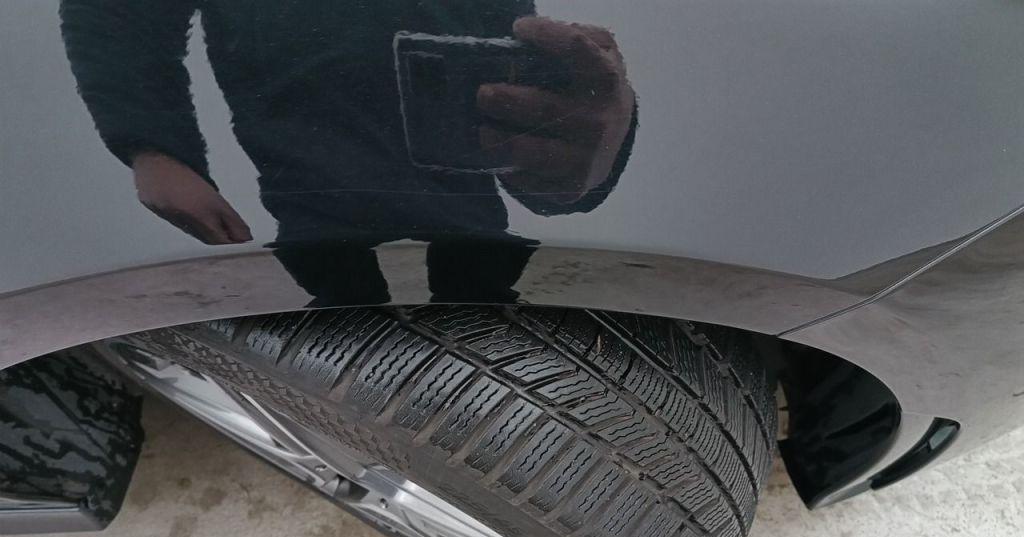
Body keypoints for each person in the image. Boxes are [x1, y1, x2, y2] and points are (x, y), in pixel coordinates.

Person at [60, 0, 636, 303]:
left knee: (476, 283)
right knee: (334, 300)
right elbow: (116, 11)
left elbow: (514, 36)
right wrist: (155, 148)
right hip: (309, 188)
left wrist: (584, 137)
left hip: (460, 183)